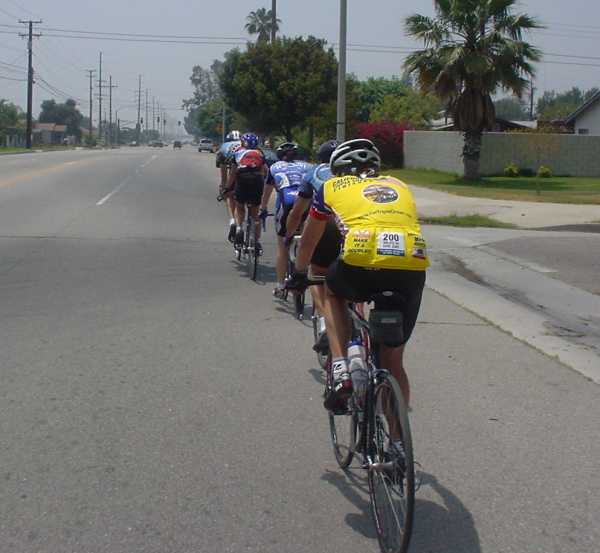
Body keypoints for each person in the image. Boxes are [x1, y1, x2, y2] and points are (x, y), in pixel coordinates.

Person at [287, 139, 428, 412]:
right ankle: (398, 445)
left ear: (337, 170)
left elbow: (307, 242)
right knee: (394, 361)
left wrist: (300, 272)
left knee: (332, 291)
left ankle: (340, 367)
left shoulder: (330, 186)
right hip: (411, 266)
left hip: (360, 260)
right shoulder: (399, 185)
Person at [284, 140, 342, 353]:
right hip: (355, 227)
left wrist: (288, 234)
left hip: (325, 224)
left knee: (316, 273)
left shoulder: (313, 172)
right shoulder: (355, 174)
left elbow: (297, 212)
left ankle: (327, 324)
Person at [259, 142, 313, 297]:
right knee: (306, 241)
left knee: (282, 248)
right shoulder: (308, 167)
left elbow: (267, 192)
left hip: (286, 206)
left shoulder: (275, 167)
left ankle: (281, 285)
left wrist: (263, 209)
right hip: (306, 205)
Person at [226, 132, 268, 254]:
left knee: (240, 208)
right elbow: (265, 171)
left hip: (242, 182)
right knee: (255, 215)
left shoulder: (238, 153)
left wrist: (227, 188)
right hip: (256, 183)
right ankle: (256, 241)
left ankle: (239, 228)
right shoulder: (260, 154)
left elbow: (233, 173)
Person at [216, 130, 242, 242]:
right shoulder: (245, 145)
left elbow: (223, 173)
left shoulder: (223, 148)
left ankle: (232, 221)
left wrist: (224, 187)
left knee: (229, 196)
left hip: (234, 173)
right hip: (251, 176)